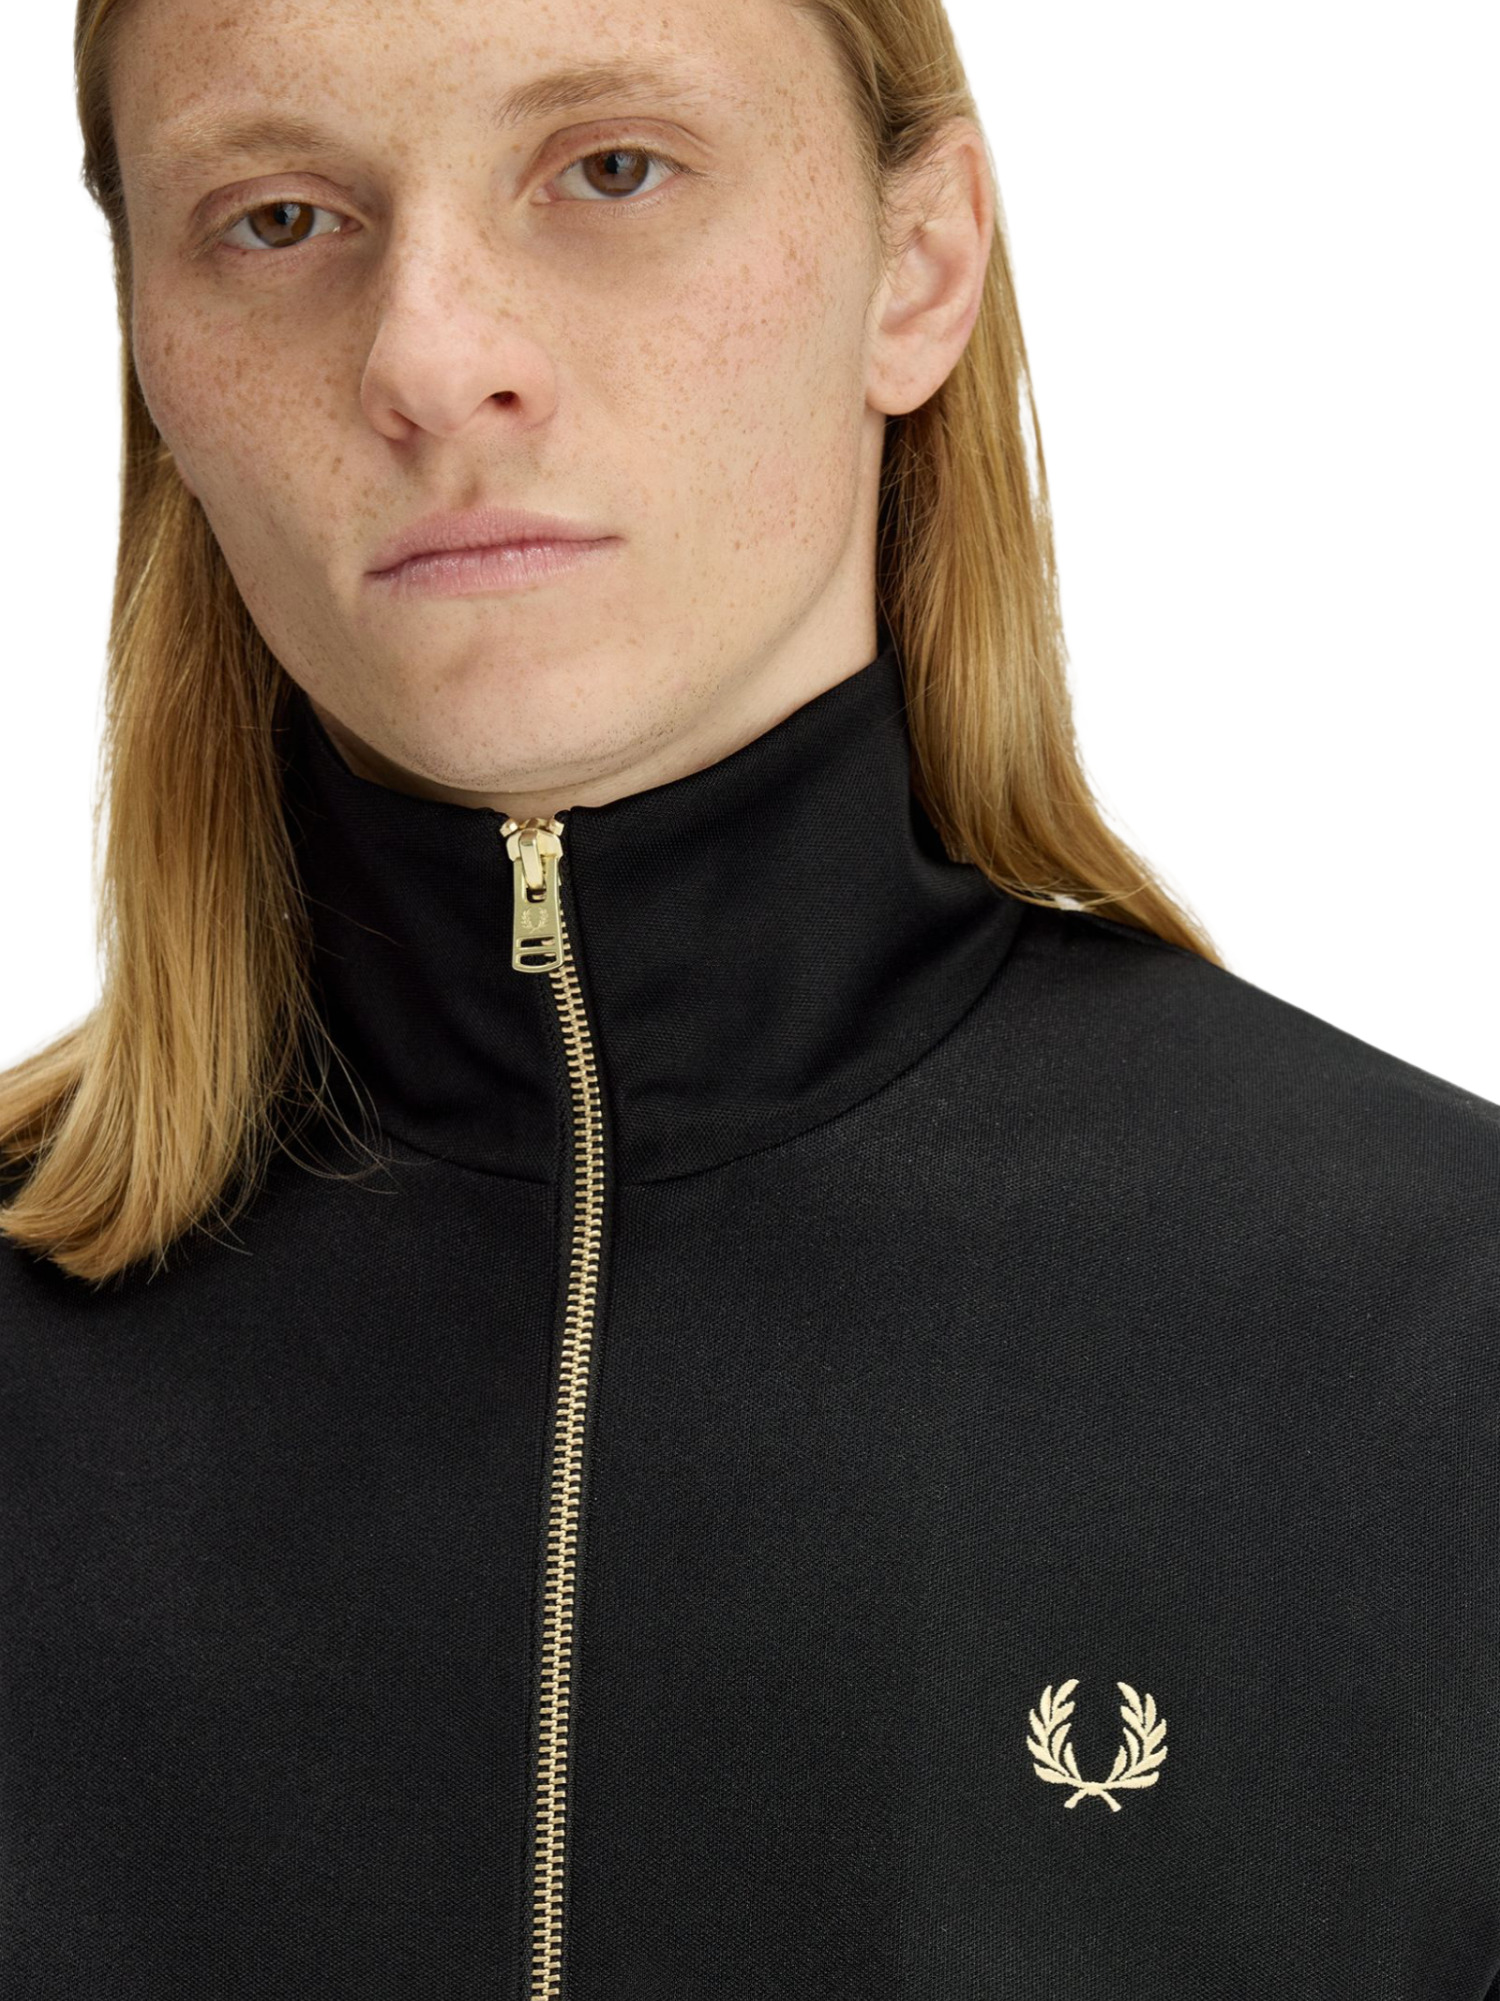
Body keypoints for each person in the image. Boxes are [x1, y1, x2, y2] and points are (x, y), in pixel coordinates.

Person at [2, 0, 1496, 1993]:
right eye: (278, 218)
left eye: (611, 169)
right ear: (147, 341)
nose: (430, 358)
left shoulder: (1440, 1344)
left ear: (921, 262)